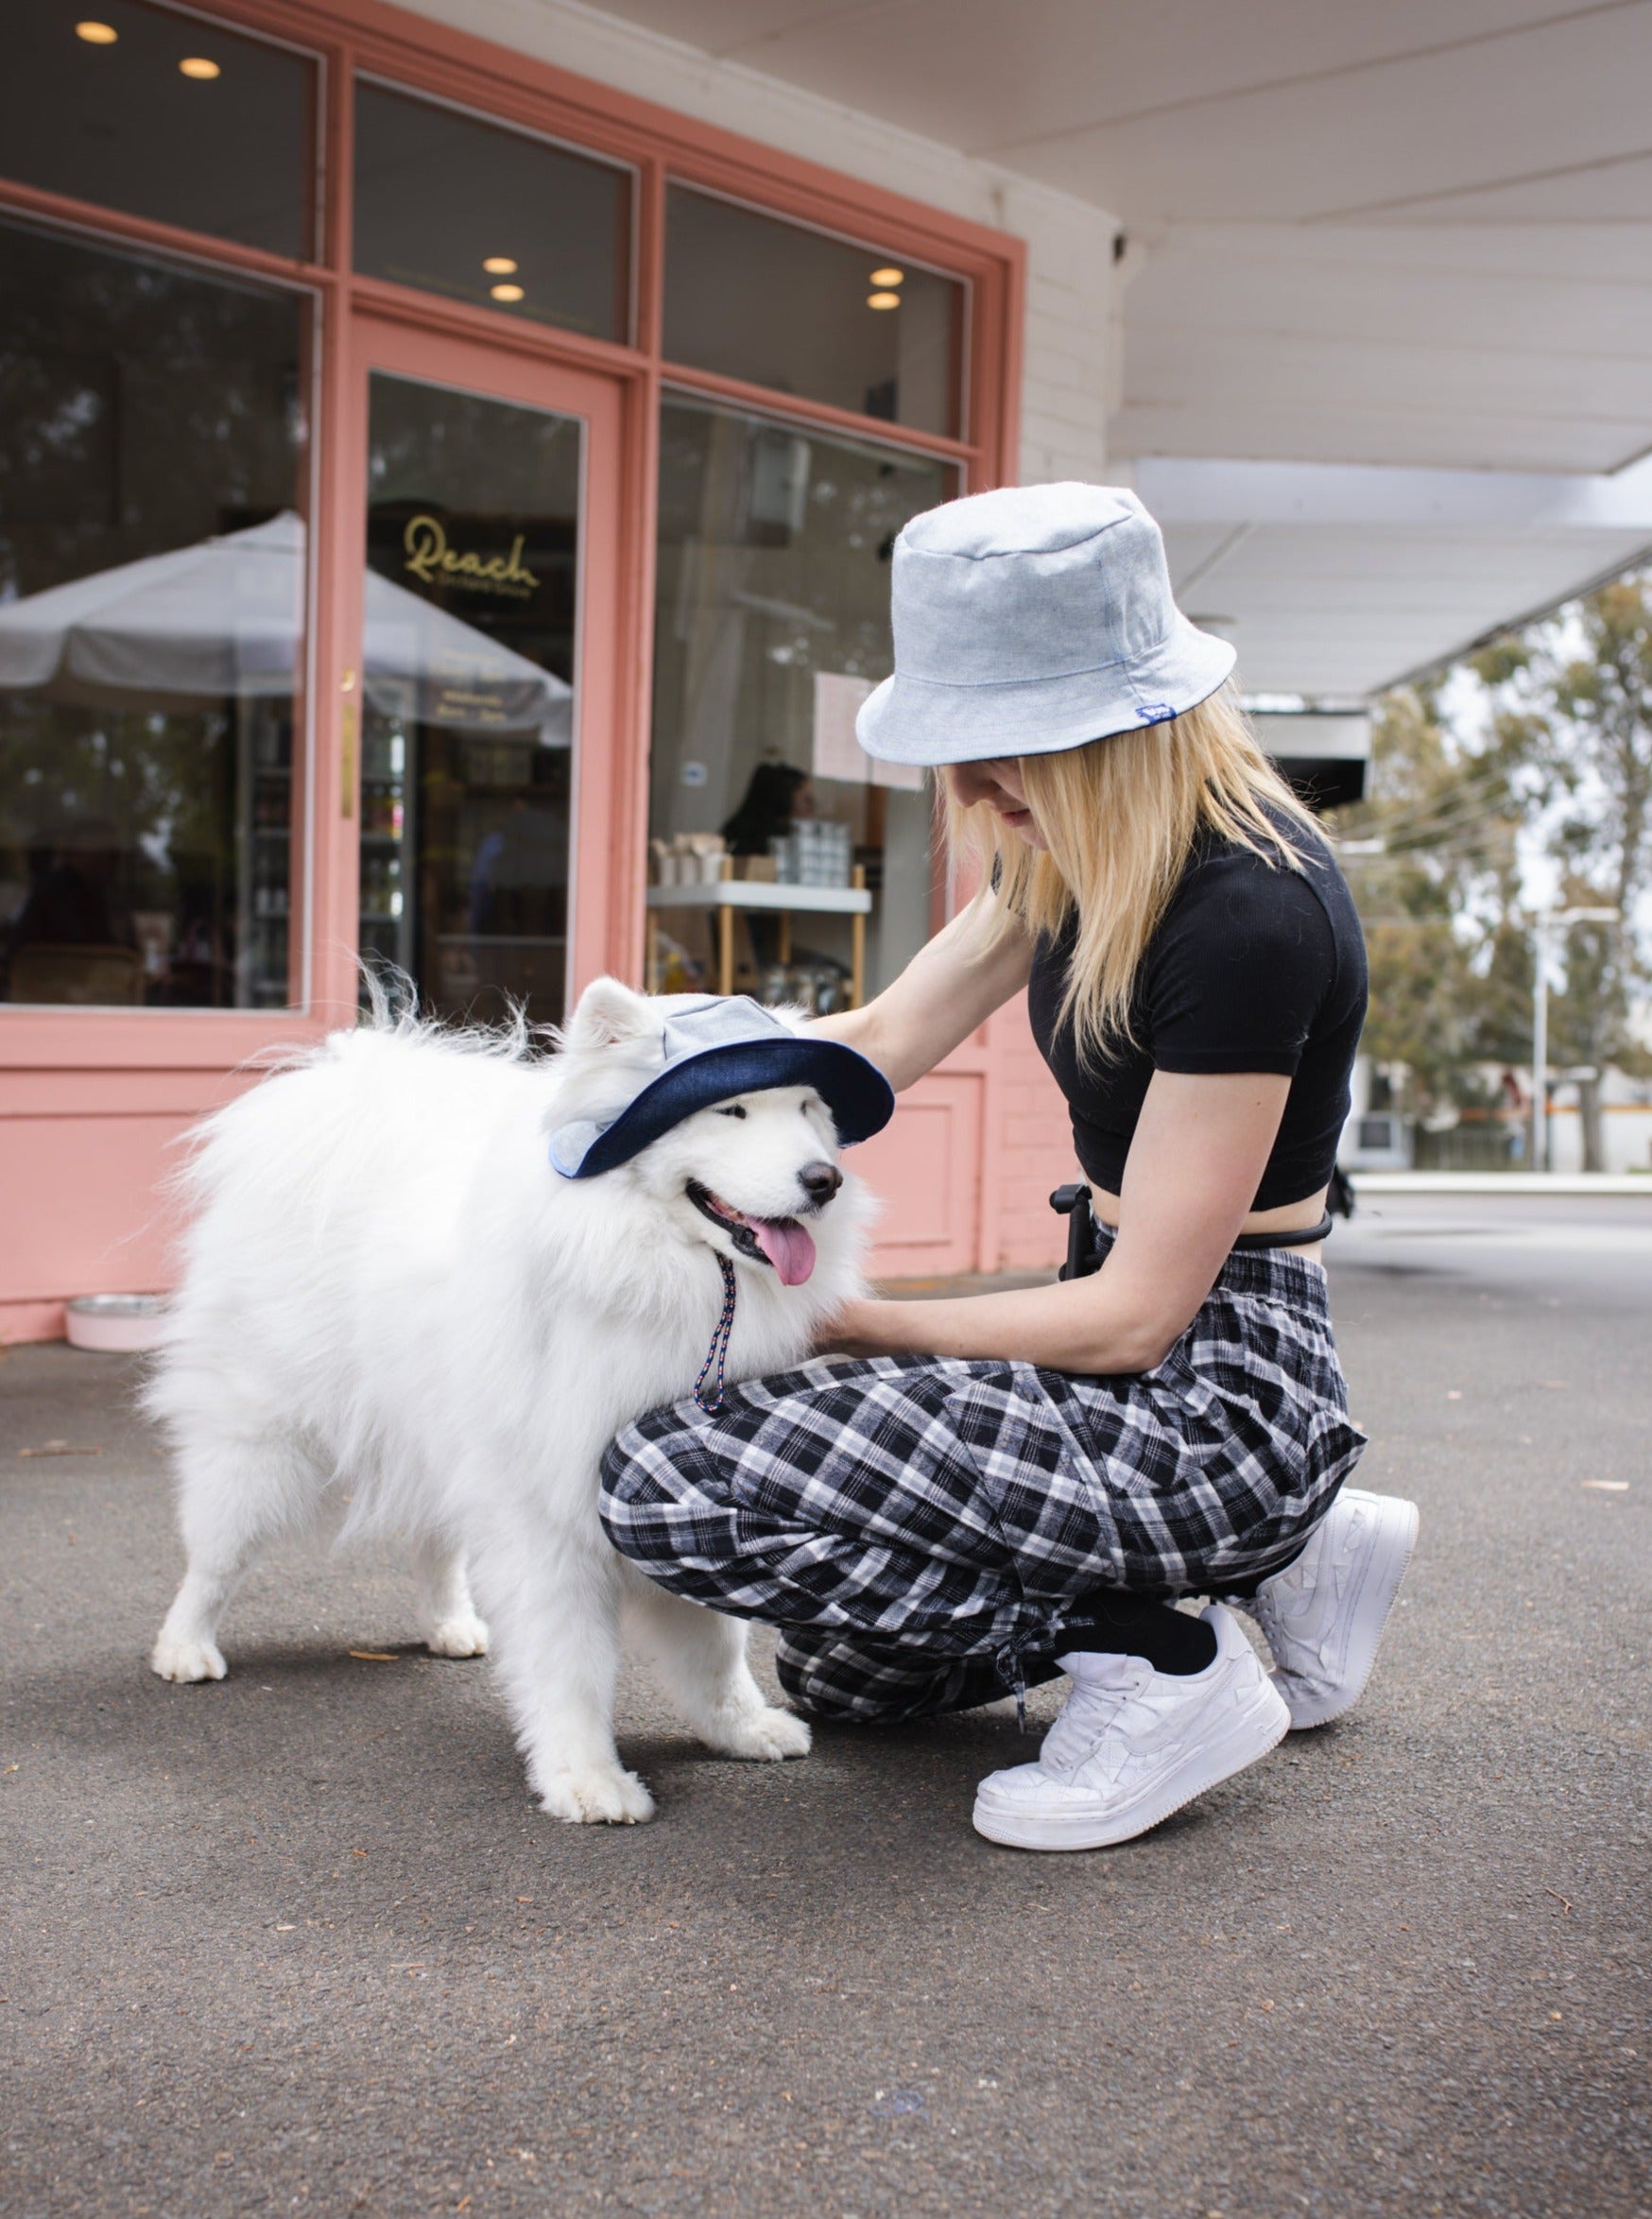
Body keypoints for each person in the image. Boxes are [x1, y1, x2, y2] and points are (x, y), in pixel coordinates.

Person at [600, 485, 1418, 1852]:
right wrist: (640, 1093)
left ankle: (1167, 1649)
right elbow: (872, 1045)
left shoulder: (1250, 912)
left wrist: (845, 1325)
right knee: (848, 1683)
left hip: (1212, 1402)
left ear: (1126, 723)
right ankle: (1292, 1564)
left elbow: (1136, 1317)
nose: (970, 792)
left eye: (1003, 750)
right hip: (1106, 1368)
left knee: (667, 1485)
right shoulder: (1071, 852)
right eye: (959, 751)